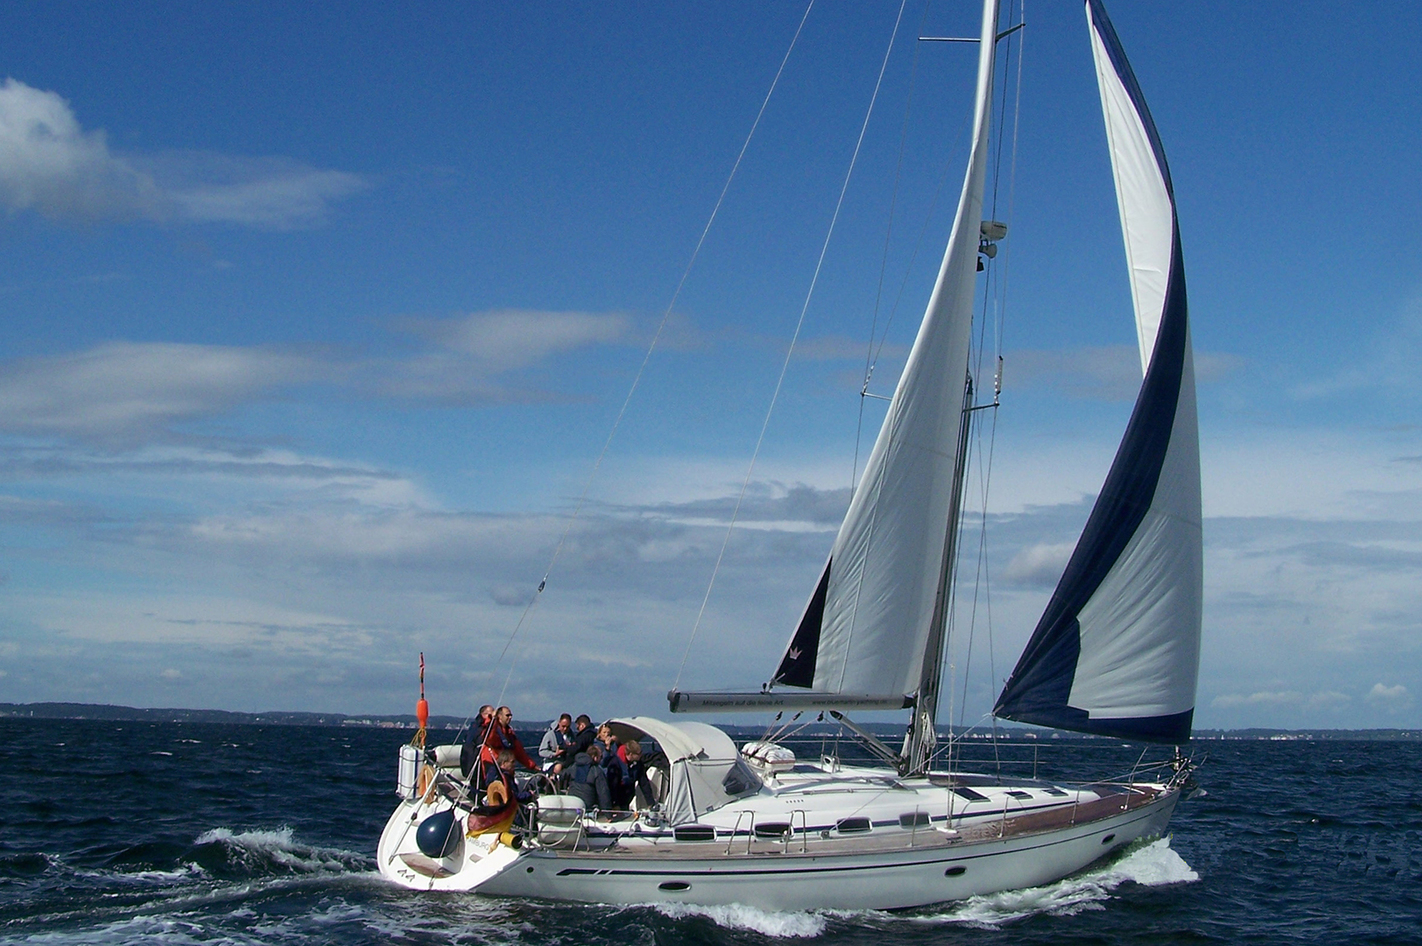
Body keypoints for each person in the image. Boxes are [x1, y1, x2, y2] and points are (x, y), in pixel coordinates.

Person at [482, 705, 538, 772]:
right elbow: (489, 738)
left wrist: (533, 766)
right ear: (499, 716)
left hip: (506, 769)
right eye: (507, 715)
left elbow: (520, 753)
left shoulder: (509, 733)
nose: (510, 717)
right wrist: (493, 720)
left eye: (511, 715)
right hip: (493, 768)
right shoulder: (493, 730)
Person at [564, 743, 611, 812]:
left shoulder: (573, 766)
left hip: (572, 805)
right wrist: (608, 813)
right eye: (600, 757)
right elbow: (603, 793)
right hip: (588, 809)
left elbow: (563, 776)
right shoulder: (596, 771)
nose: (601, 759)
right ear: (595, 757)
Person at [460, 704, 496, 778]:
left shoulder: (492, 726)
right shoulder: (476, 726)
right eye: (491, 713)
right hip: (477, 763)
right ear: (484, 714)